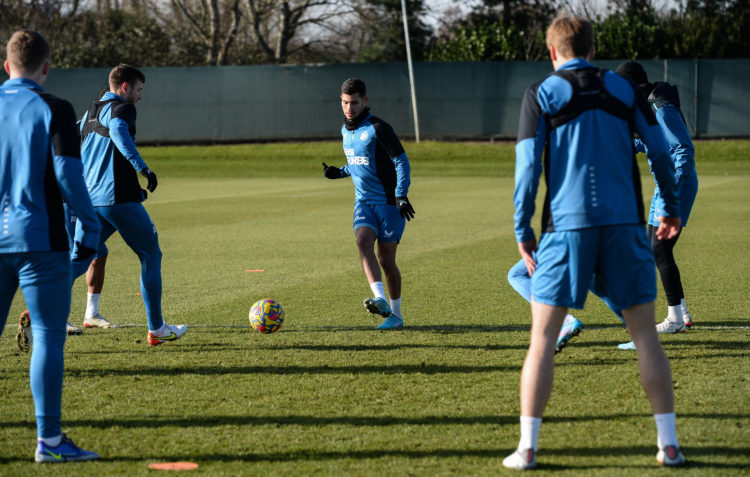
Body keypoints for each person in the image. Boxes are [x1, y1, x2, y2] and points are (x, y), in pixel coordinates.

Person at [504, 15, 685, 470]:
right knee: (645, 334)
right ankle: (669, 444)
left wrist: (522, 226)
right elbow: (661, 151)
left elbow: (527, 165)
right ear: (591, 46)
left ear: (552, 51)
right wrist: (670, 207)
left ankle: (527, 449)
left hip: (565, 228)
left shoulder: (541, 92)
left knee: (543, 339)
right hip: (625, 225)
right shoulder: (624, 89)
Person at [1, 29, 101, 462]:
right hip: (42, 240)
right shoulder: (55, 108)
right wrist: (90, 229)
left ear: (6, 67)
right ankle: (50, 442)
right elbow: (68, 176)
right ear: (45, 67)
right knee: (45, 338)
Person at [72, 63, 187, 345]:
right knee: (150, 254)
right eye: (138, 89)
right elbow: (120, 134)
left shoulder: (90, 112)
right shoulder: (122, 109)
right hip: (117, 198)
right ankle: (157, 329)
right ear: (125, 87)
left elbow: (68, 143)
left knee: (77, 261)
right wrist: (143, 168)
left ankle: (41, 312)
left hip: (90, 200)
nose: (140, 96)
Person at [322, 78, 415, 330]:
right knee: (363, 242)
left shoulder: (379, 128)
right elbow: (358, 163)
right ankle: (380, 300)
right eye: (344, 103)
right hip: (363, 202)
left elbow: (401, 162)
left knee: (386, 260)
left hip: (389, 203)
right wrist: (339, 172)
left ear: (365, 101)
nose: (349, 108)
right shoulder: (345, 130)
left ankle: (395, 316)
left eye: (353, 102)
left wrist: (401, 195)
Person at [616, 60, 699, 335]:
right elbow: (655, 142)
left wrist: (672, 197)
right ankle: (681, 313)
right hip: (663, 186)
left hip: (675, 186)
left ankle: (675, 319)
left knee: (660, 249)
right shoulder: (649, 104)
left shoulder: (661, 108)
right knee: (654, 248)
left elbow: (682, 150)